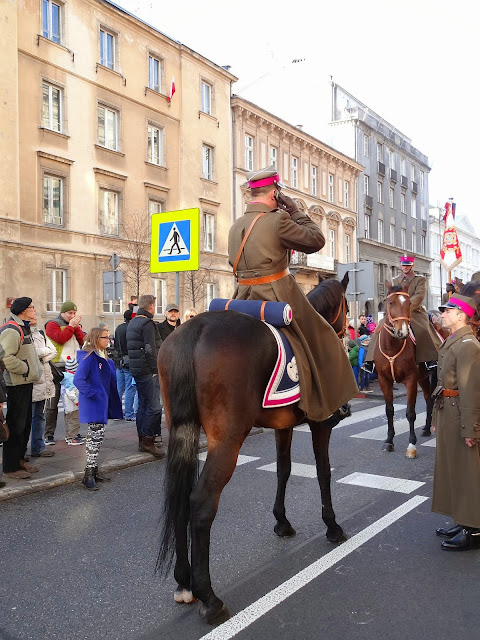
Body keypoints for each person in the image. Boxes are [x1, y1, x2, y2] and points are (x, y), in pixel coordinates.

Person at [227, 166, 357, 422]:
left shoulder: (236, 225)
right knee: (324, 336)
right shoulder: (278, 220)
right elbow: (317, 240)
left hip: (241, 298)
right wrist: (295, 210)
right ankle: (328, 401)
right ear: (275, 194)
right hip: (277, 296)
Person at [432, 293, 480, 551]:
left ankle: (475, 530)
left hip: (460, 413)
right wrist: (435, 417)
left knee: (468, 473)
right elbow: (442, 383)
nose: (443, 314)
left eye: (447, 310)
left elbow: (472, 390)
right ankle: (462, 520)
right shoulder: (453, 341)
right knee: (452, 469)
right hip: (448, 410)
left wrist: (471, 427)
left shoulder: (468, 345)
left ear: (461, 315)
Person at [363, 254, 441, 373]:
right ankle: (370, 361)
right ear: (401, 266)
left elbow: (420, 296)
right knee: (379, 327)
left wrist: (407, 306)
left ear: (412, 265)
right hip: (396, 312)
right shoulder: (395, 280)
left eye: (407, 265)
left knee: (422, 328)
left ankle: (429, 359)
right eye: (403, 265)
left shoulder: (419, 279)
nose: (405, 267)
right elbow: (390, 296)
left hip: (414, 311)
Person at [74, 327, 123, 490]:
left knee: (97, 437)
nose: (108, 341)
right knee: (94, 438)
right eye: (105, 338)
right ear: (96, 339)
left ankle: (93, 471)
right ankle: (88, 475)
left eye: (109, 338)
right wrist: (94, 394)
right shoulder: (89, 358)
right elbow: (78, 380)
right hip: (94, 403)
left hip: (102, 403)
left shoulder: (105, 358)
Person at [0, 297, 42, 479]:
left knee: (24, 425)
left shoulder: (23, 327)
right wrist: (25, 369)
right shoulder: (11, 329)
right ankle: (10, 468)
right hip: (16, 384)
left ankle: (19, 460)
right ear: (23, 310)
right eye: (32, 308)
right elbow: (6, 357)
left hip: (25, 382)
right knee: (16, 425)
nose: (35, 311)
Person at [126, 294, 165, 457]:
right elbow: (150, 348)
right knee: (155, 407)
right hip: (148, 370)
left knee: (143, 404)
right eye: (154, 305)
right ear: (150, 306)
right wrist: (156, 369)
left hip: (136, 369)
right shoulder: (147, 323)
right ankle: (148, 441)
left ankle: (142, 439)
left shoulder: (133, 322)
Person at [44, 301, 84, 445]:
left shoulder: (73, 325)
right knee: (52, 404)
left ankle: (72, 434)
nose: (72, 316)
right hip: (55, 367)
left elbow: (82, 340)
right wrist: (71, 326)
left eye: (74, 313)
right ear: (63, 312)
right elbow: (60, 339)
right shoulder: (52, 324)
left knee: (73, 402)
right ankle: (48, 434)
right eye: (69, 313)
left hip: (72, 368)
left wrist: (76, 327)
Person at [30, 314, 57, 458]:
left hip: (43, 380)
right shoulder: (22, 332)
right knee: (27, 417)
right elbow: (30, 353)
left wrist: (40, 357)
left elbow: (53, 351)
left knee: (39, 416)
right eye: (31, 311)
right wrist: (42, 354)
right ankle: (22, 451)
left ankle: (38, 447)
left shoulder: (40, 333)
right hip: (32, 380)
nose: (35, 314)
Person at [114, 309, 137, 421]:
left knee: (119, 389)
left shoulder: (118, 328)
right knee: (130, 389)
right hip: (129, 361)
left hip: (119, 361)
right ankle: (129, 414)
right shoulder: (131, 328)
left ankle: (117, 413)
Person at [60, 369, 84, 445]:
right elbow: (71, 394)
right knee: (74, 422)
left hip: (68, 406)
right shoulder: (72, 379)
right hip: (72, 406)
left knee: (69, 421)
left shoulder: (66, 378)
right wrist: (77, 402)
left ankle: (69, 436)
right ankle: (72, 438)